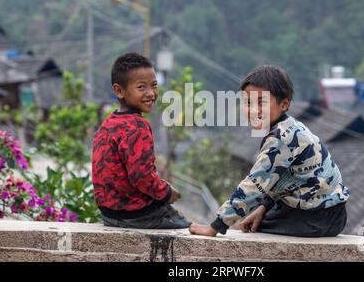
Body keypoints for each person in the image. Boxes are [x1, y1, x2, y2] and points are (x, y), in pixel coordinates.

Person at [189, 65, 349, 237]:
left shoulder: (280, 139)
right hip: (330, 214)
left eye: (261, 102)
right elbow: (280, 177)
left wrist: (215, 226)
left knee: (251, 229)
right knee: (252, 222)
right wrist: (263, 207)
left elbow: (254, 184)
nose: (253, 110)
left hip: (318, 217)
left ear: (284, 104)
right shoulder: (291, 126)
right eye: (248, 102)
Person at [92, 52, 190, 229]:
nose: (151, 93)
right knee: (188, 226)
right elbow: (141, 176)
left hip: (109, 214)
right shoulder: (137, 126)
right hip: (137, 215)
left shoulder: (108, 123)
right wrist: (167, 193)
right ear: (119, 90)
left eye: (154, 85)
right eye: (141, 87)